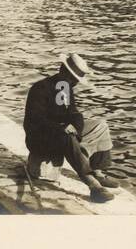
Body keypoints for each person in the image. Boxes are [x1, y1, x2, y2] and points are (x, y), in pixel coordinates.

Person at [23, 52, 116, 204]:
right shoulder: (40, 88)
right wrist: (62, 128)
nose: (74, 83)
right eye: (72, 79)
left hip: (62, 134)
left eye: (75, 81)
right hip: (40, 138)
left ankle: (98, 171)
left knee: (101, 125)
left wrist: (75, 128)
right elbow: (35, 122)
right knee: (67, 136)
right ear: (62, 71)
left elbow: (75, 114)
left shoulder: (65, 88)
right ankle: (93, 185)